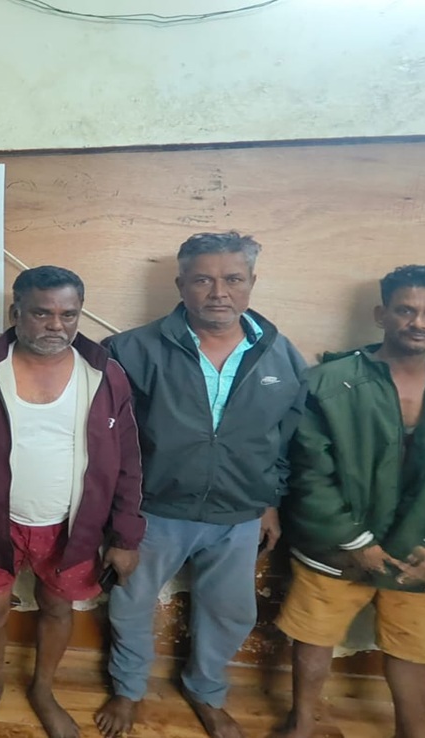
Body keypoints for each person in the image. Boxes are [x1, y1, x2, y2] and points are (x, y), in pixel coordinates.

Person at [275, 265, 425, 738]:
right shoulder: (326, 384)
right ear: (381, 314)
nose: (418, 322)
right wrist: (353, 541)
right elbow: (307, 472)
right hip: (336, 545)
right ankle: (300, 723)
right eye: (405, 310)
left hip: (421, 552)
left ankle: (412, 730)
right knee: (313, 635)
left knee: (413, 647)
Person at [96, 232, 307, 738]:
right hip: (154, 510)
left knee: (229, 611)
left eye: (233, 279)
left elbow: (284, 439)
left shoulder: (281, 356)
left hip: (239, 512)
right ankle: (128, 688)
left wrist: (269, 502)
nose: (219, 292)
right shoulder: (131, 350)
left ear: (251, 282)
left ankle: (206, 691)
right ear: (181, 285)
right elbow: (108, 443)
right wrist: (120, 515)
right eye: (203, 280)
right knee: (130, 602)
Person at [0, 265, 145, 738]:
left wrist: (126, 537)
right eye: (42, 313)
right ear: (15, 313)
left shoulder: (105, 375)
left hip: (71, 528)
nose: (56, 325)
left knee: (58, 608)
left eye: (68, 314)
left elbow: (128, 461)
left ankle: (43, 689)